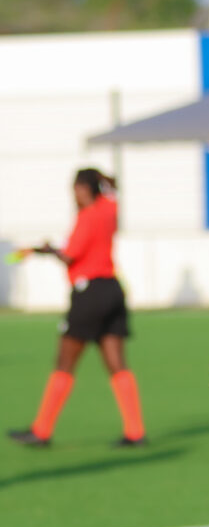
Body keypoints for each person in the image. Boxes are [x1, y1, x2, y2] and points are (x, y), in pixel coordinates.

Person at [8, 168, 146, 448]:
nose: (75, 196)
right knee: (116, 362)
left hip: (89, 293)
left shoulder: (88, 216)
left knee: (65, 361)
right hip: (112, 290)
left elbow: (70, 255)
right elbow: (113, 198)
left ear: (87, 189)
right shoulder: (109, 209)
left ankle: (41, 430)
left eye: (78, 190)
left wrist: (42, 250)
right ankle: (135, 431)